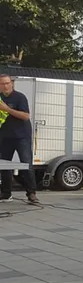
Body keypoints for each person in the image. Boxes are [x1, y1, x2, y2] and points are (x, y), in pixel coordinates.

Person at [0, 74, 39, 204]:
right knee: (4, 165)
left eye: (7, 83)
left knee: (26, 163)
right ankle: (6, 193)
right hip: (5, 136)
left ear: (11, 83)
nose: (5, 86)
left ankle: (31, 193)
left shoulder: (19, 97)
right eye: (2, 84)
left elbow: (26, 116)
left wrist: (7, 109)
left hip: (21, 136)